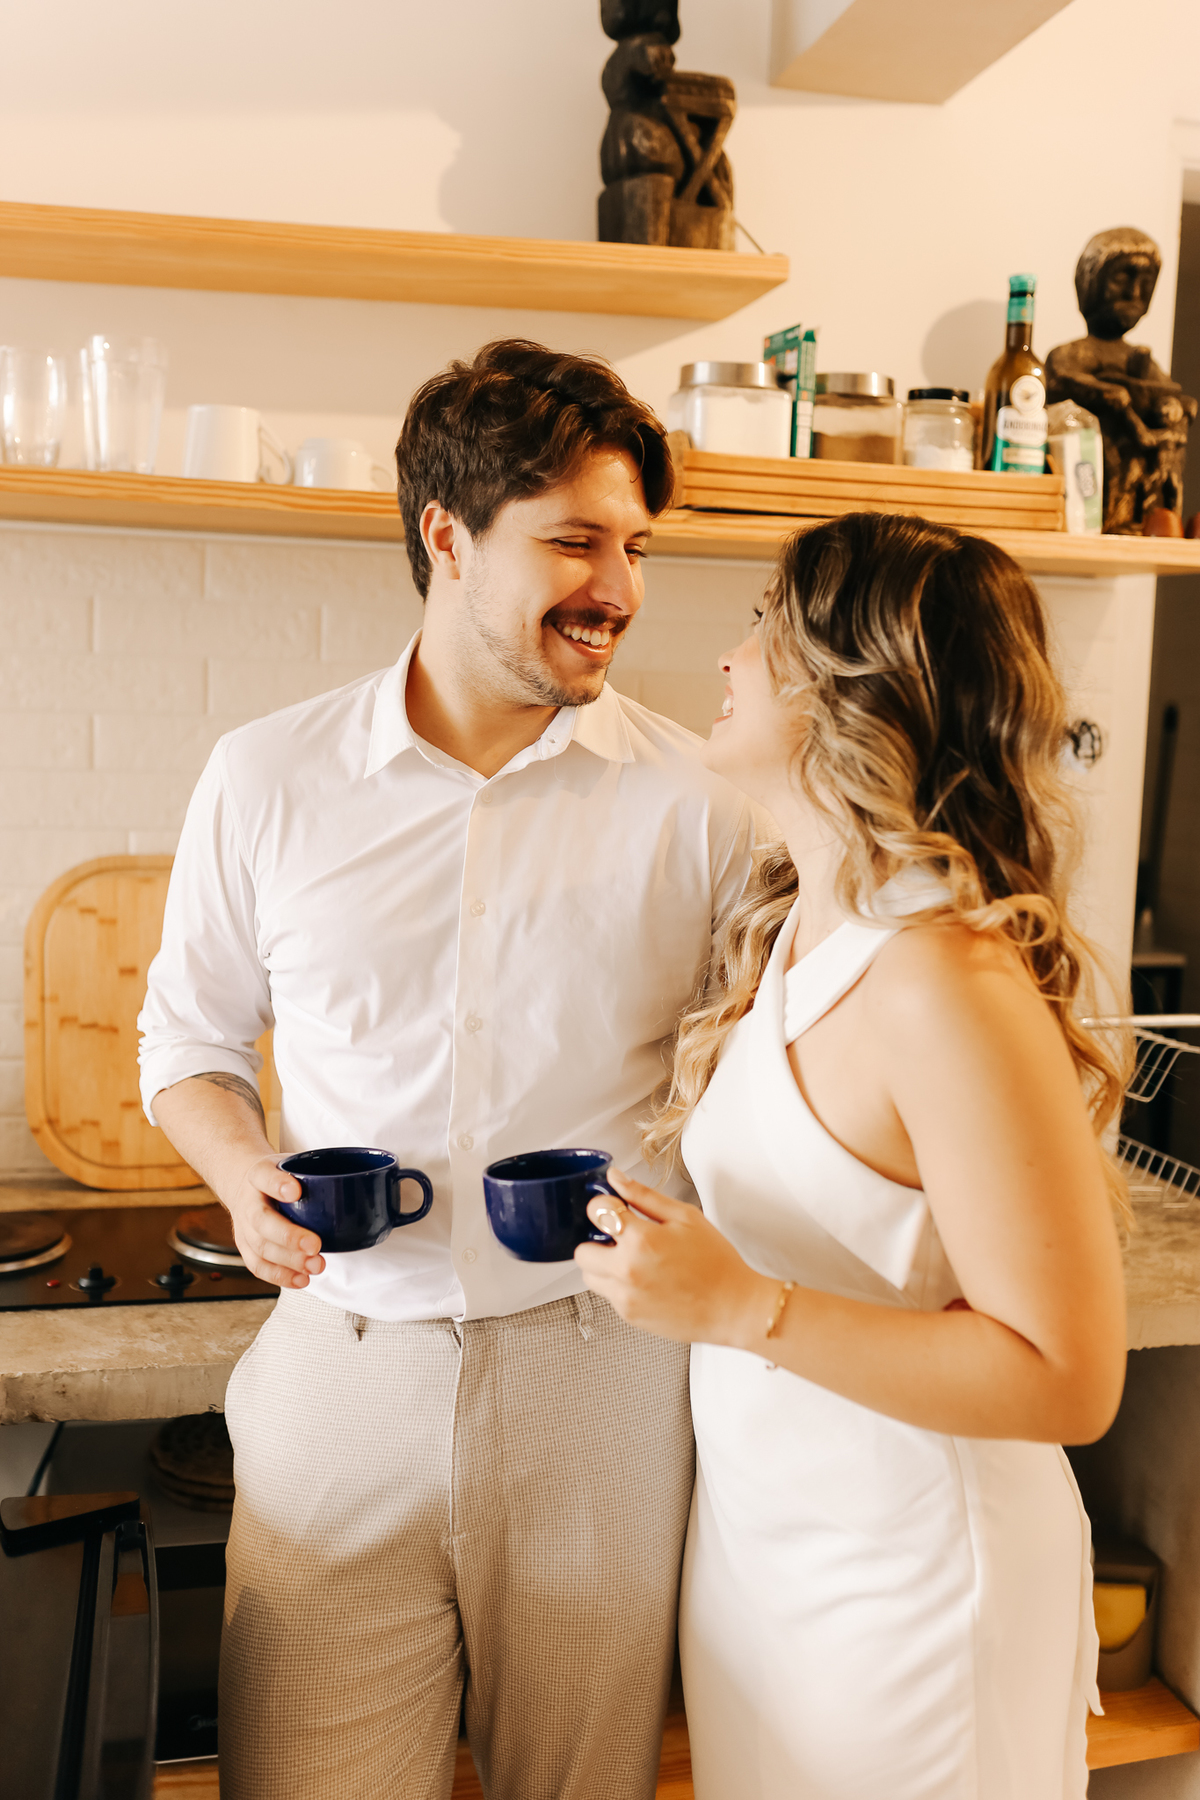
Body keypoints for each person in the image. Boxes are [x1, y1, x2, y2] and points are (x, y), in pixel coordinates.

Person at [137, 339, 756, 1800]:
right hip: (345, 1362)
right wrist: (241, 1172)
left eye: (636, 547)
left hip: (603, 1371)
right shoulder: (267, 777)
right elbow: (187, 1040)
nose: (619, 586)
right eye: (575, 542)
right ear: (448, 537)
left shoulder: (703, 801)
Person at [576, 511, 1129, 1800]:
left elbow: (1069, 1379)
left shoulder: (942, 979)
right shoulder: (798, 924)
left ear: (851, 682)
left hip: (917, 1593)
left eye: (763, 624)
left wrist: (739, 1305)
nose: (729, 655)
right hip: (772, 1564)